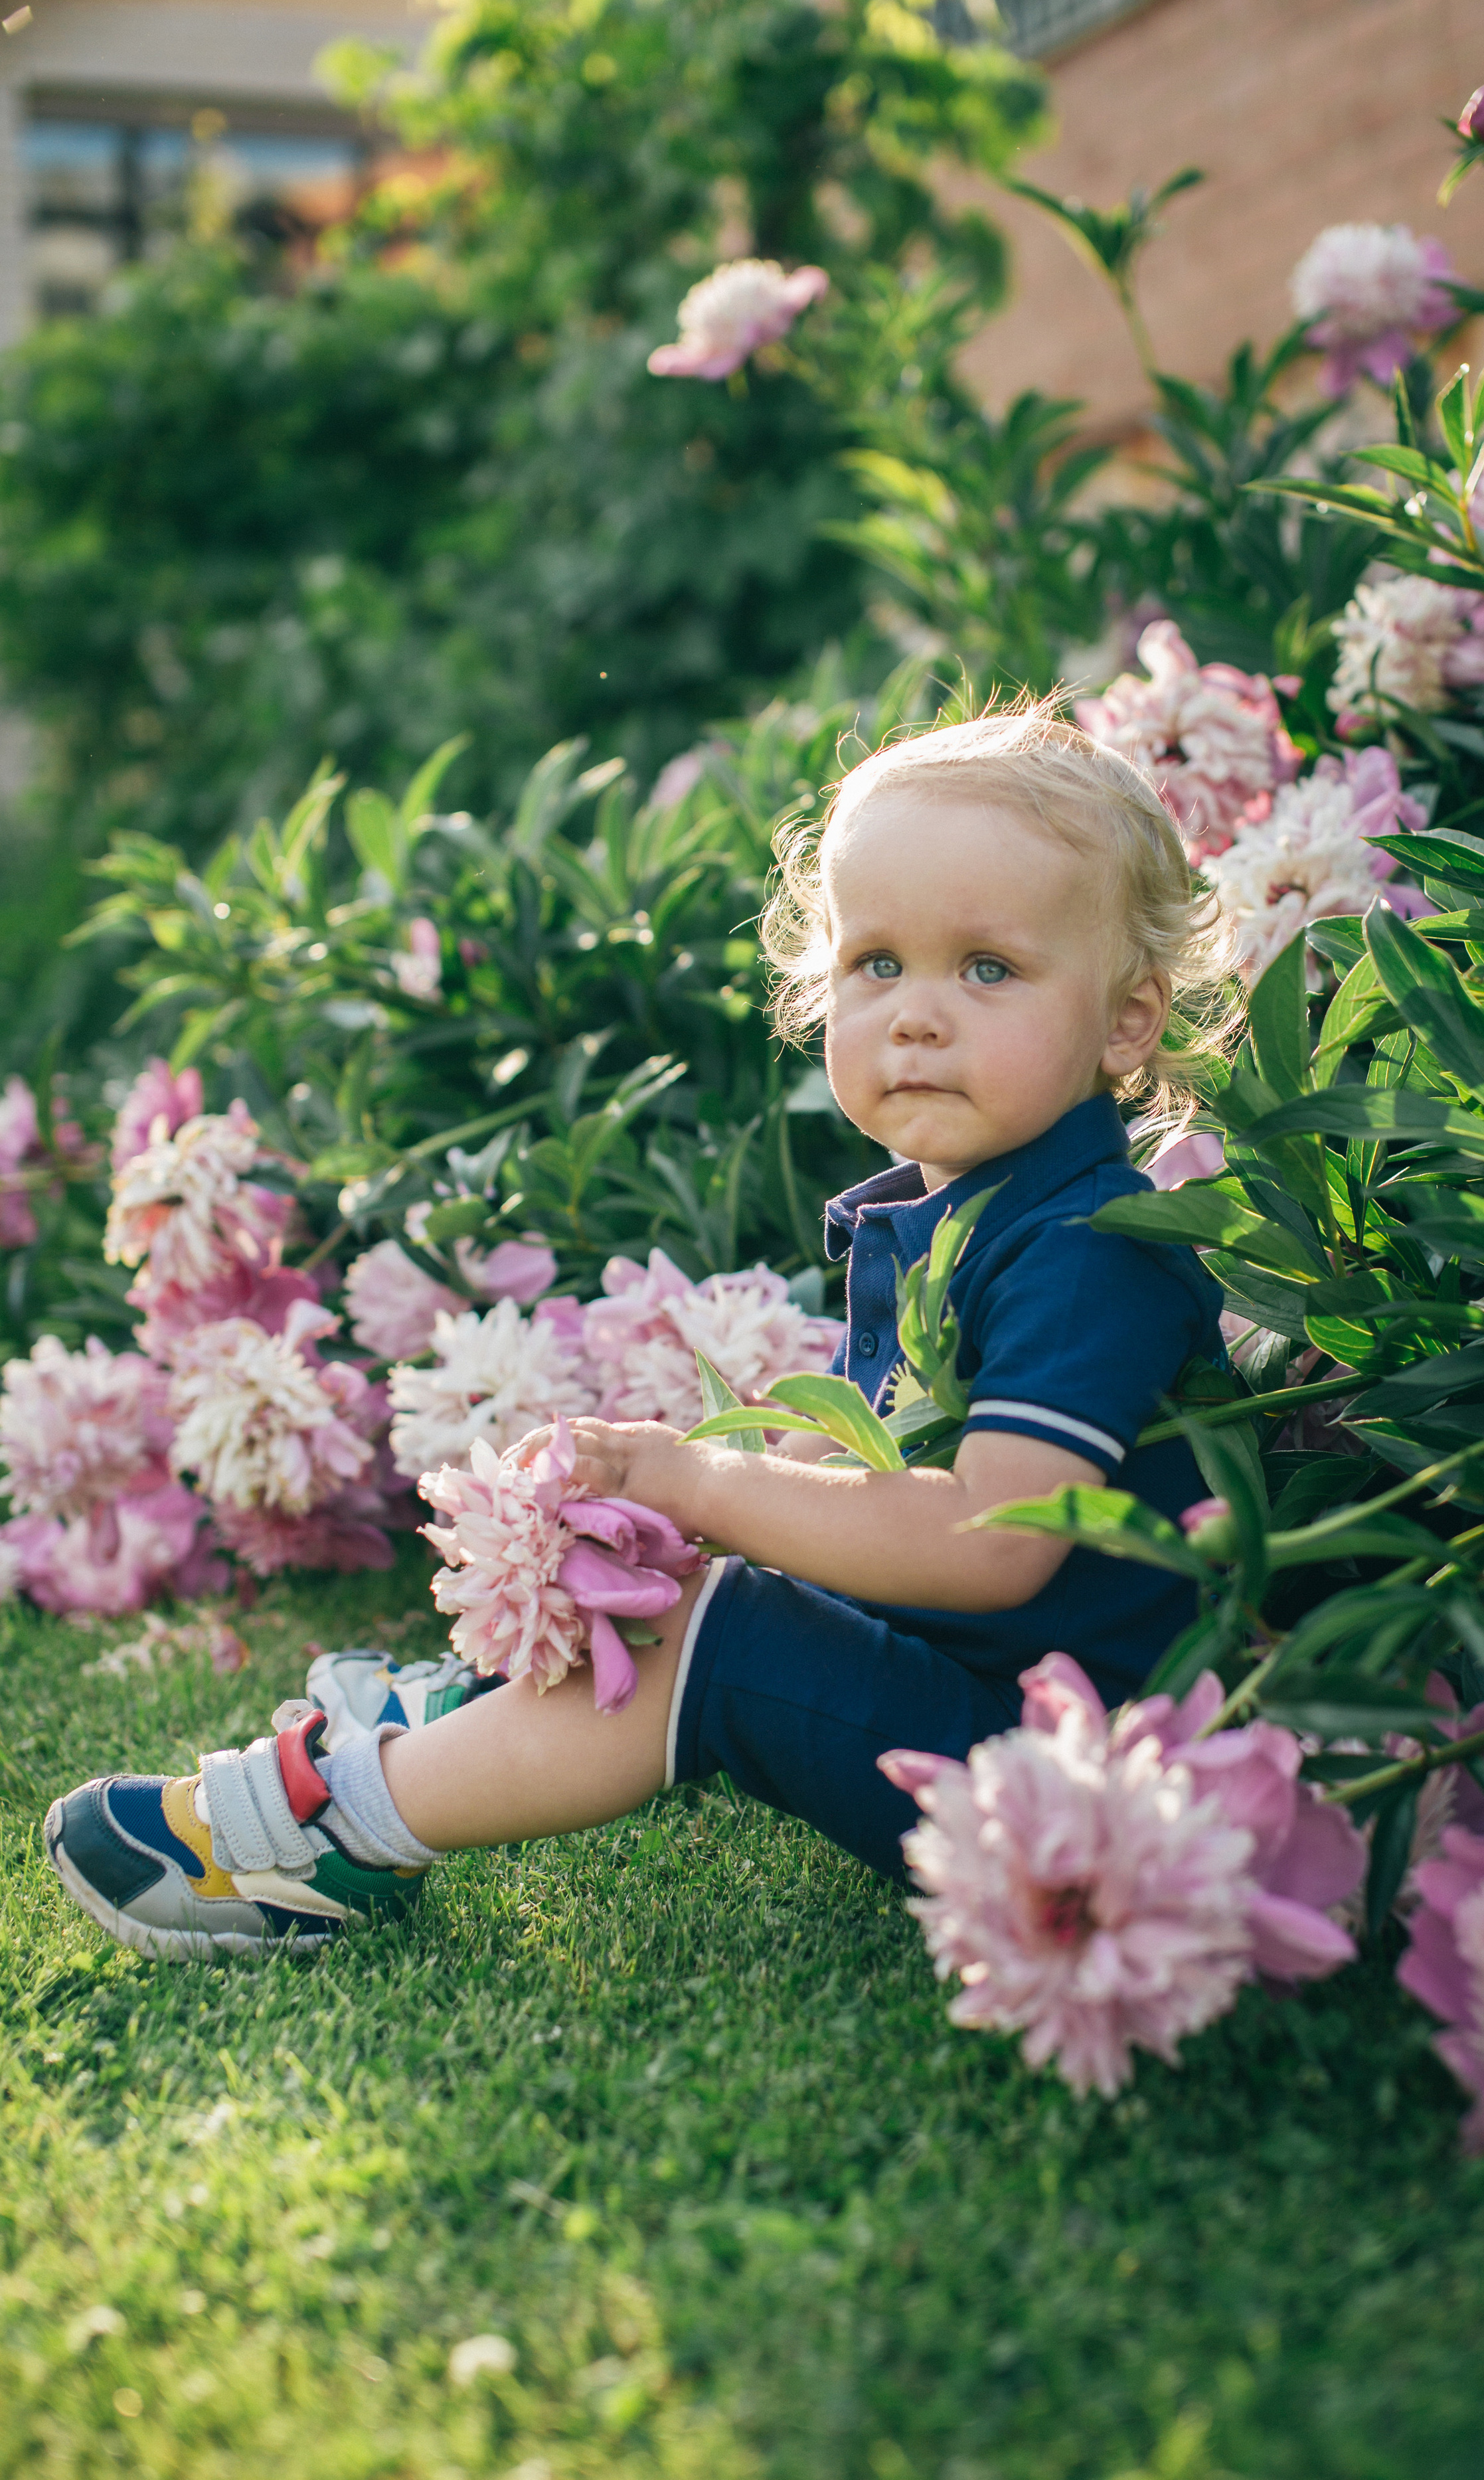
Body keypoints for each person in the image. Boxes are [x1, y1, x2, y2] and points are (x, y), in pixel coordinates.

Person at [44, 703, 1235, 1959]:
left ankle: (326, 1835)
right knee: (678, 1577)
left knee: (711, 1636)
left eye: (987, 968)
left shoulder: (1087, 1248)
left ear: (1126, 1021)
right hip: (993, 1704)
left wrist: (708, 1482)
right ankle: (436, 1733)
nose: (916, 1015)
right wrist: (667, 1505)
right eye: (877, 963)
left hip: (1078, 1792)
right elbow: (884, 1471)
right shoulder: (970, 1212)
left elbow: (994, 1546)